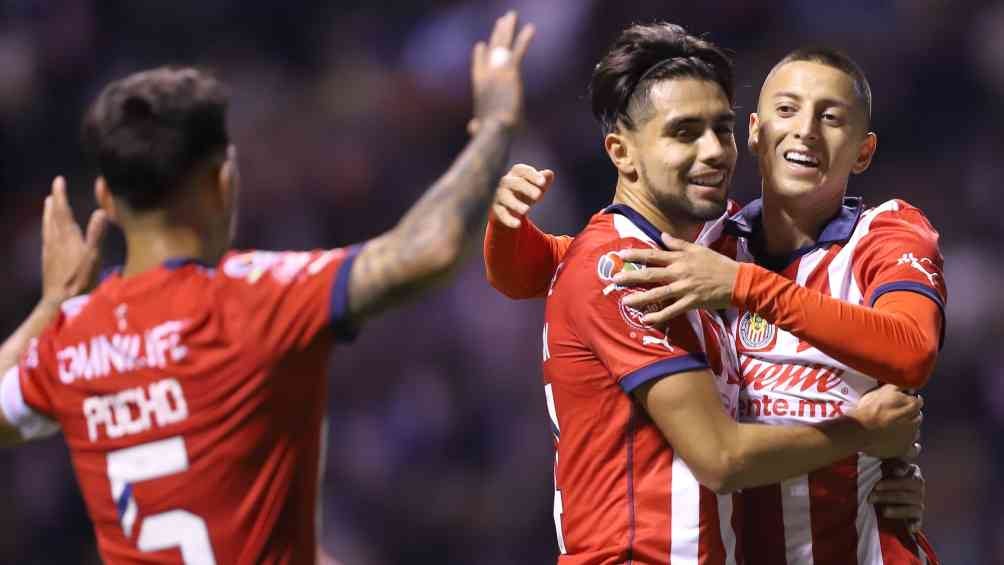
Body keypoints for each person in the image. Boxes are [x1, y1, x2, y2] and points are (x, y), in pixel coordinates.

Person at [0, 12, 534, 564]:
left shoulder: (72, 343)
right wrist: (495, 125)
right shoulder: (254, 299)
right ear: (222, 181)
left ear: (107, 201)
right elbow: (427, 249)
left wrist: (54, 304)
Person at [485, 24, 942, 565]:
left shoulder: (884, 234)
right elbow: (562, 269)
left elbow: (911, 351)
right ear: (757, 133)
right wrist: (504, 221)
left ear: (863, 151)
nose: (806, 133)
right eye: (788, 110)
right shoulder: (705, 245)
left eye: (832, 117)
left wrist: (742, 285)